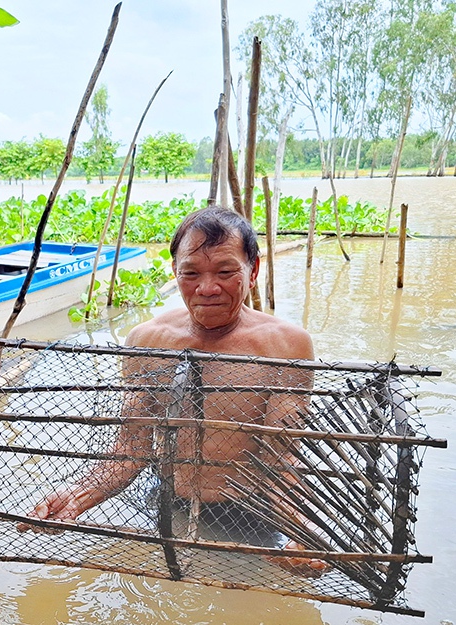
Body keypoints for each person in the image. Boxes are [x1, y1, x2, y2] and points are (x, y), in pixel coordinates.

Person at [19, 207, 326, 575]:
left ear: (253, 271)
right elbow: (131, 449)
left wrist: (301, 528)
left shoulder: (286, 346)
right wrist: (77, 496)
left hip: (254, 512)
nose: (207, 288)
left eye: (226, 272)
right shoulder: (147, 340)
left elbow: (281, 458)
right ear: (175, 273)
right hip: (167, 500)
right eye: (191, 273)